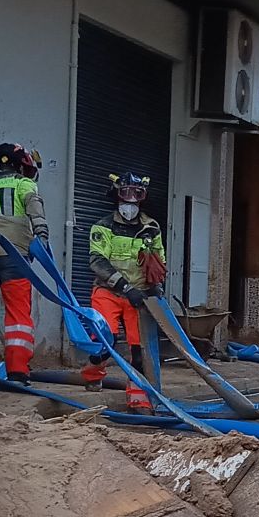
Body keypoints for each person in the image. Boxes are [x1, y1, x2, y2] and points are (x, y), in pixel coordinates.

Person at [84, 172, 166, 412]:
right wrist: (125, 287)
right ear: (115, 195)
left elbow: (159, 260)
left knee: (139, 351)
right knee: (103, 341)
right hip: (108, 292)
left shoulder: (152, 228)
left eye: (136, 195)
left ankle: (138, 397)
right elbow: (97, 261)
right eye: (125, 194)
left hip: (139, 298)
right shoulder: (103, 227)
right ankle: (92, 373)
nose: (130, 201)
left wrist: (156, 287)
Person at [0, 143, 50, 383]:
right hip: (14, 255)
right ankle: (17, 369)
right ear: (21, 164)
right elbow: (36, 212)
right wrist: (43, 238)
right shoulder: (24, 184)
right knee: (18, 313)